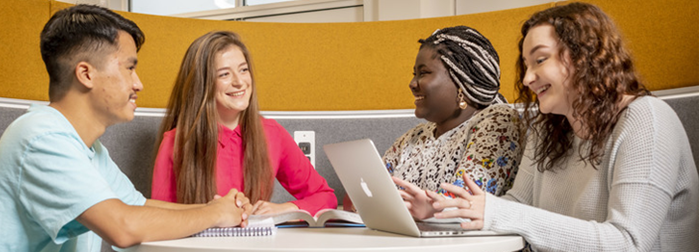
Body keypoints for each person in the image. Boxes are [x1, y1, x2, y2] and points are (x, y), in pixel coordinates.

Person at [0, 5, 251, 252]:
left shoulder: (87, 148)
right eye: (129, 68)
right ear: (86, 73)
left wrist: (224, 208)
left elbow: (138, 207)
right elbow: (123, 226)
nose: (138, 84)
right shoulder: (41, 137)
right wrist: (215, 214)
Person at [423, 2, 699, 251]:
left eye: (540, 59)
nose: (529, 78)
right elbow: (517, 204)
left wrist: (498, 213)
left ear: (586, 57)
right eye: (526, 65)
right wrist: (441, 212)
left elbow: (628, 242)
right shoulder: (548, 130)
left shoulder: (646, 118)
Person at [152, 30, 337, 215]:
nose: (239, 82)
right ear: (203, 84)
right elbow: (160, 217)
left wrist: (284, 209)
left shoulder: (272, 133)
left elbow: (325, 196)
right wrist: (210, 214)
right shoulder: (175, 142)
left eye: (243, 69)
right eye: (224, 74)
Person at [348, 26, 524, 220]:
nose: (412, 84)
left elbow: (463, 204)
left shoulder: (499, 122)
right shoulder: (415, 136)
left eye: (423, 73)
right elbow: (365, 195)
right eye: (414, 74)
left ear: (461, 81)